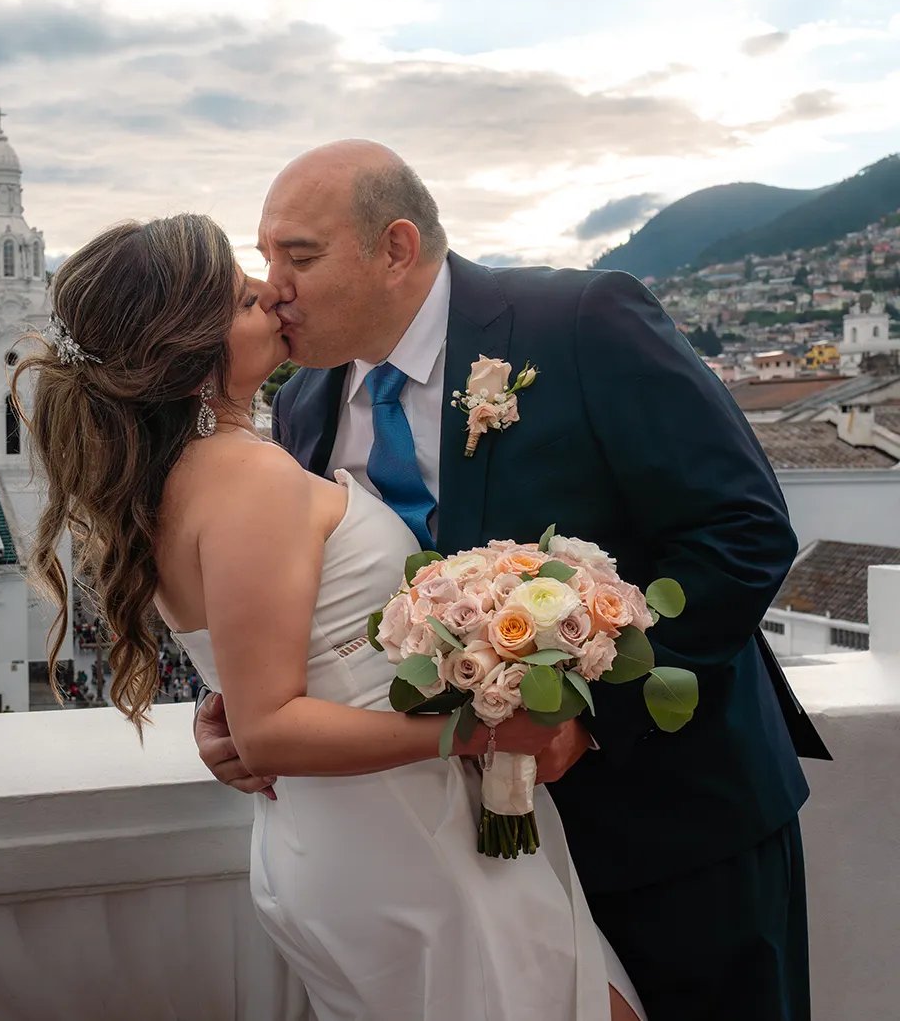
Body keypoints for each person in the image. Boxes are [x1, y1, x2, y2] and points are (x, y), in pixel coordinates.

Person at [195, 141, 825, 1021]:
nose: (273, 286)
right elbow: (313, 609)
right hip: (472, 869)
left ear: (396, 248)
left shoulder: (579, 322)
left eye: (299, 256)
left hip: (674, 827)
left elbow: (744, 531)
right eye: (264, 258)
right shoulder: (302, 407)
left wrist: (592, 722)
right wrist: (240, 715)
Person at [17, 213, 641, 1020]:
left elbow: (269, 669)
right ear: (189, 350)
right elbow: (271, 728)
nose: (273, 297)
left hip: (372, 830)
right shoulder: (251, 481)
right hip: (402, 839)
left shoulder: (180, 480)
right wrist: (481, 731)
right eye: (245, 299)